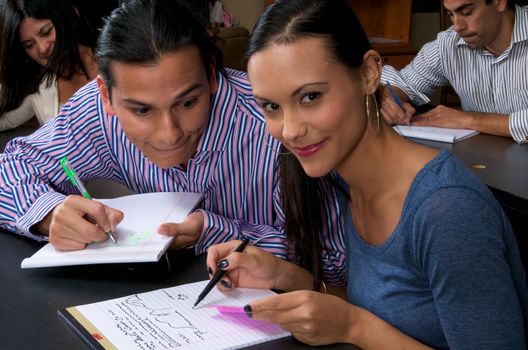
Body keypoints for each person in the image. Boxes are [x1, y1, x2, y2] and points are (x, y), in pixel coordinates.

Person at [206, 0, 528, 348]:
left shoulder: (447, 211)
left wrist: (352, 327)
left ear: (369, 73)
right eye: (272, 106)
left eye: (311, 96)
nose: (290, 130)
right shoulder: (344, 180)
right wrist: (285, 276)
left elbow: (362, 322)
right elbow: (385, 312)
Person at [0, 0, 347, 284]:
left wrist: (213, 229)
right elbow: (12, 168)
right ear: (107, 96)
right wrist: (49, 214)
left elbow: (333, 264)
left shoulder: (277, 128)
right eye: (141, 110)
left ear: (211, 75)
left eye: (187, 103)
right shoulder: (96, 111)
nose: (169, 134)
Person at [380, 0, 528, 143]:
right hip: (481, 160)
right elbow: (401, 83)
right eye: (450, 14)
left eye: (467, 12)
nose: (457, 26)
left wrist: (467, 119)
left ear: (499, 2)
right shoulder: (449, 44)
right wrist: (393, 100)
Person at [0, 0, 100, 131]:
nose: (42, 48)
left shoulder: (120, 50)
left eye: (46, 32)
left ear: (71, 14)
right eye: (29, 45)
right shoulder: (38, 86)